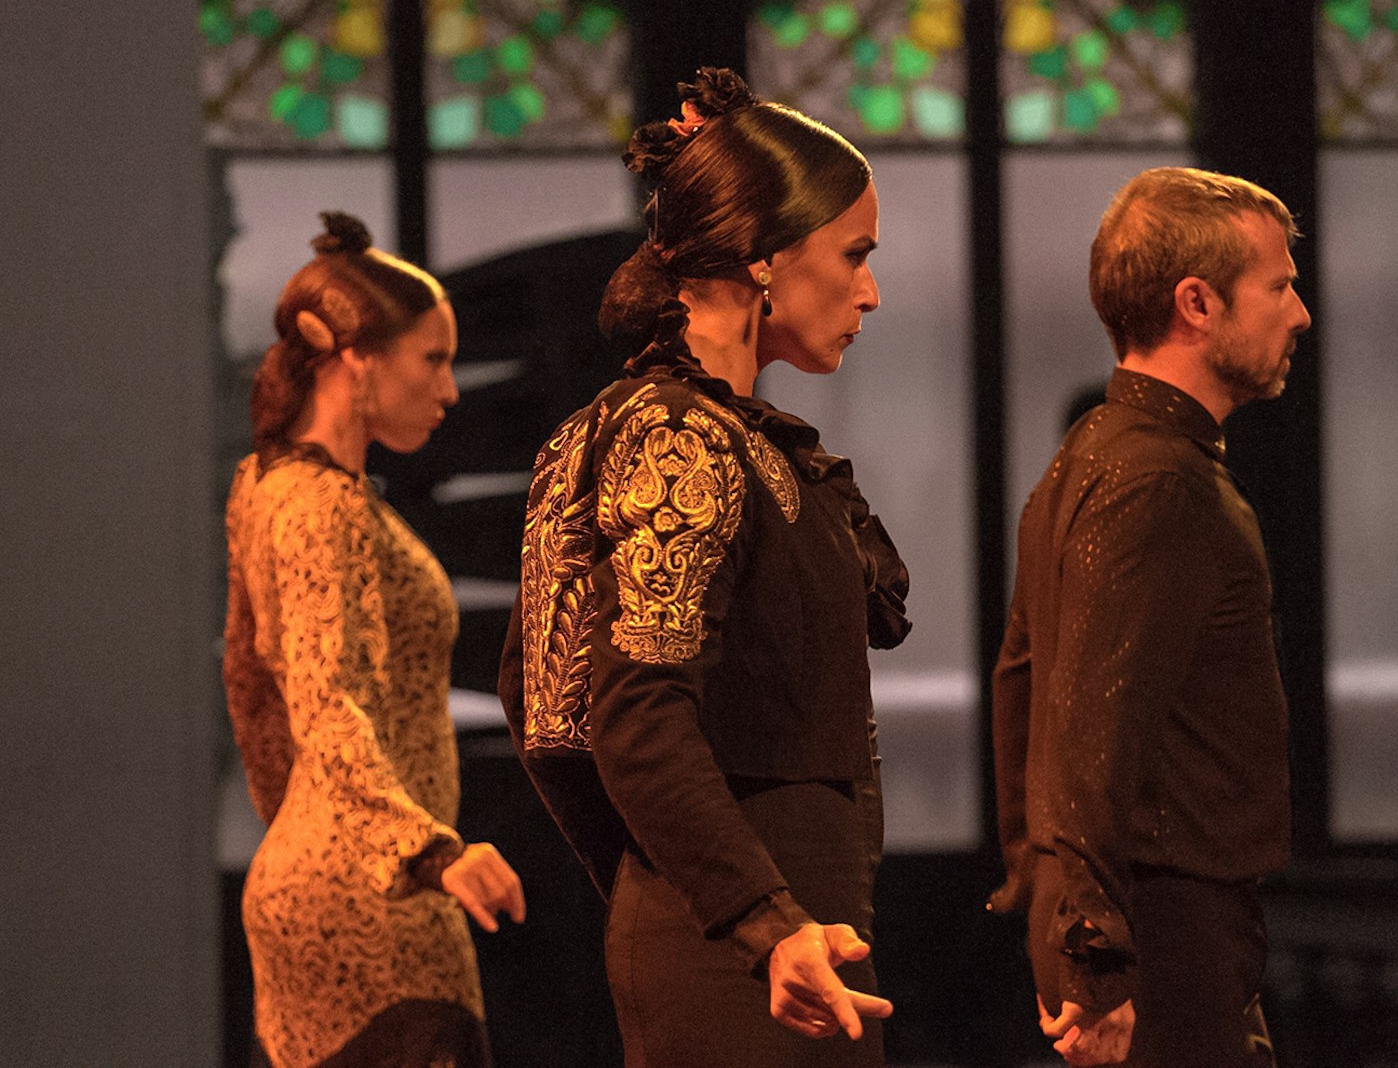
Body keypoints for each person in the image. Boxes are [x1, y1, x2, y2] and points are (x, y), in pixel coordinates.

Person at [496, 67, 911, 1067]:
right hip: (751, 955)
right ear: (766, 259)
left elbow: (540, 700)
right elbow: (617, 713)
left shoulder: (713, 431)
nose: (870, 290)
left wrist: (684, 886)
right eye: (853, 256)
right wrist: (739, 912)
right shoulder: (676, 436)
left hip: (767, 936)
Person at [990, 166, 1311, 1067]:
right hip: (1164, 926)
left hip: (1136, 916)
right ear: (1197, 303)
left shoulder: (1092, 457)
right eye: (1280, 286)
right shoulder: (1155, 481)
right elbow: (1088, 725)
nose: (1299, 314)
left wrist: (1041, 886)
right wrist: (1090, 955)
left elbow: (1021, 687)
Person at [224, 212, 526, 1068]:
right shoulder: (322, 507)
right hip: (382, 895)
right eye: (432, 359)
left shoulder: (267, 483)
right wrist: (427, 849)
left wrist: (303, 830)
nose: (451, 388)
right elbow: (323, 703)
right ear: (355, 356)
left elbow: (250, 687)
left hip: (321, 874)